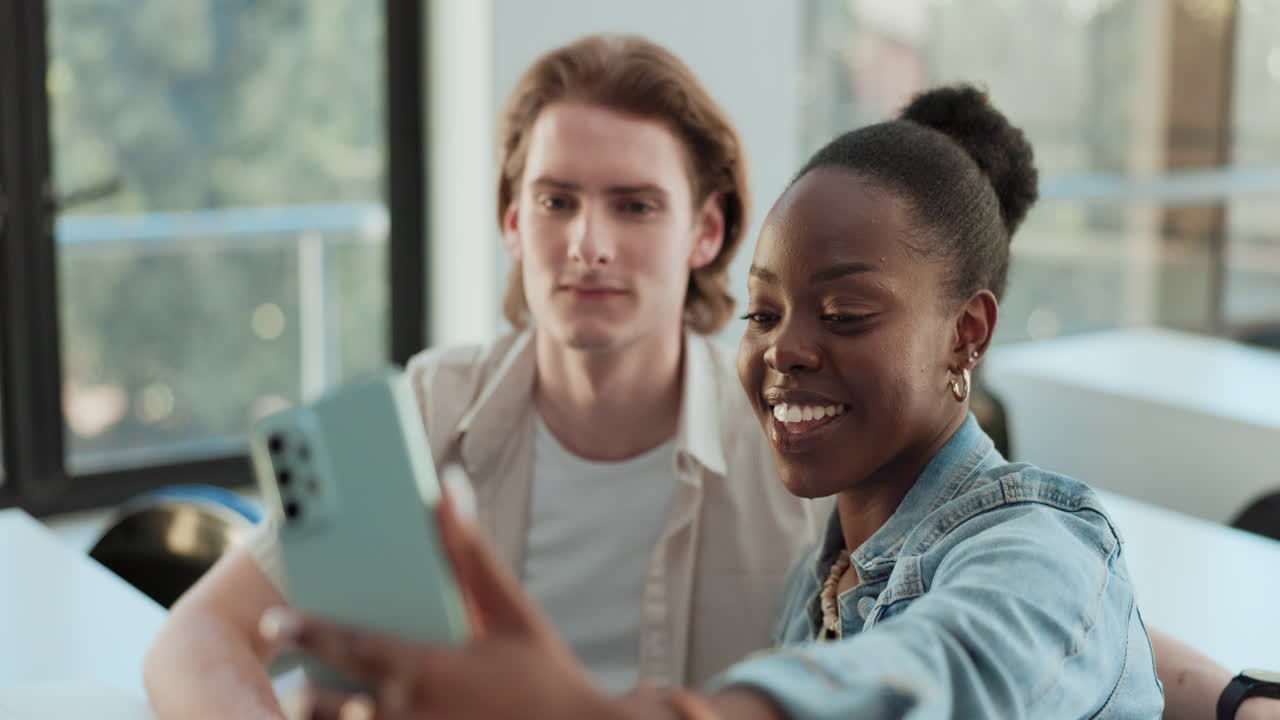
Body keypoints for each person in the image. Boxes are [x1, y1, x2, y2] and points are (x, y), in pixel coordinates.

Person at [263, 84, 1172, 718]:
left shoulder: (1040, 550)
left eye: (845, 312)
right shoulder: (818, 577)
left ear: (967, 334)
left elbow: (935, 675)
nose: (785, 348)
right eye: (763, 313)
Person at [143, 34, 827, 720]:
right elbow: (196, 638)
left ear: (705, 232)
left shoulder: (792, 437)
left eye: (635, 206)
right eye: (556, 202)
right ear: (512, 223)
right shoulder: (431, 404)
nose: (588, 245)